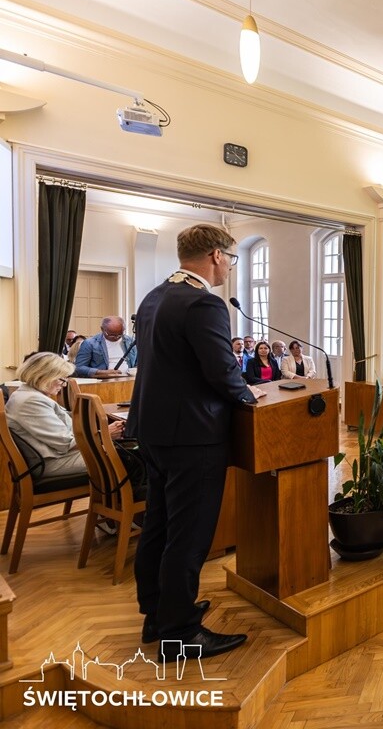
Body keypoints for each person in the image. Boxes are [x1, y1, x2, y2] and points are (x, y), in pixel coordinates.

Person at [129, 224, 262, 661]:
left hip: (153, 431)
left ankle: (158, 613)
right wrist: (249, 396)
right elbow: (222, 371)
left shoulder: (155, 297)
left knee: (159, 526)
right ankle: (180, 633)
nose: (230, 267)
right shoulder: (203, 302)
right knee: (189, 535)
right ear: (217, 256)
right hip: (193, 436)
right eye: (232, 258)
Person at [6, 352, 123, 481]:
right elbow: (67, 443)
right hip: (53, 462)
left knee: (122, 450)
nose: (64, 385)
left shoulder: (25, 393)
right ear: (44, 377)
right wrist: (104, 435)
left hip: (55, 456)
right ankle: (122, 499)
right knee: (125, 456)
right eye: (62, 379)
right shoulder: (32, 401)